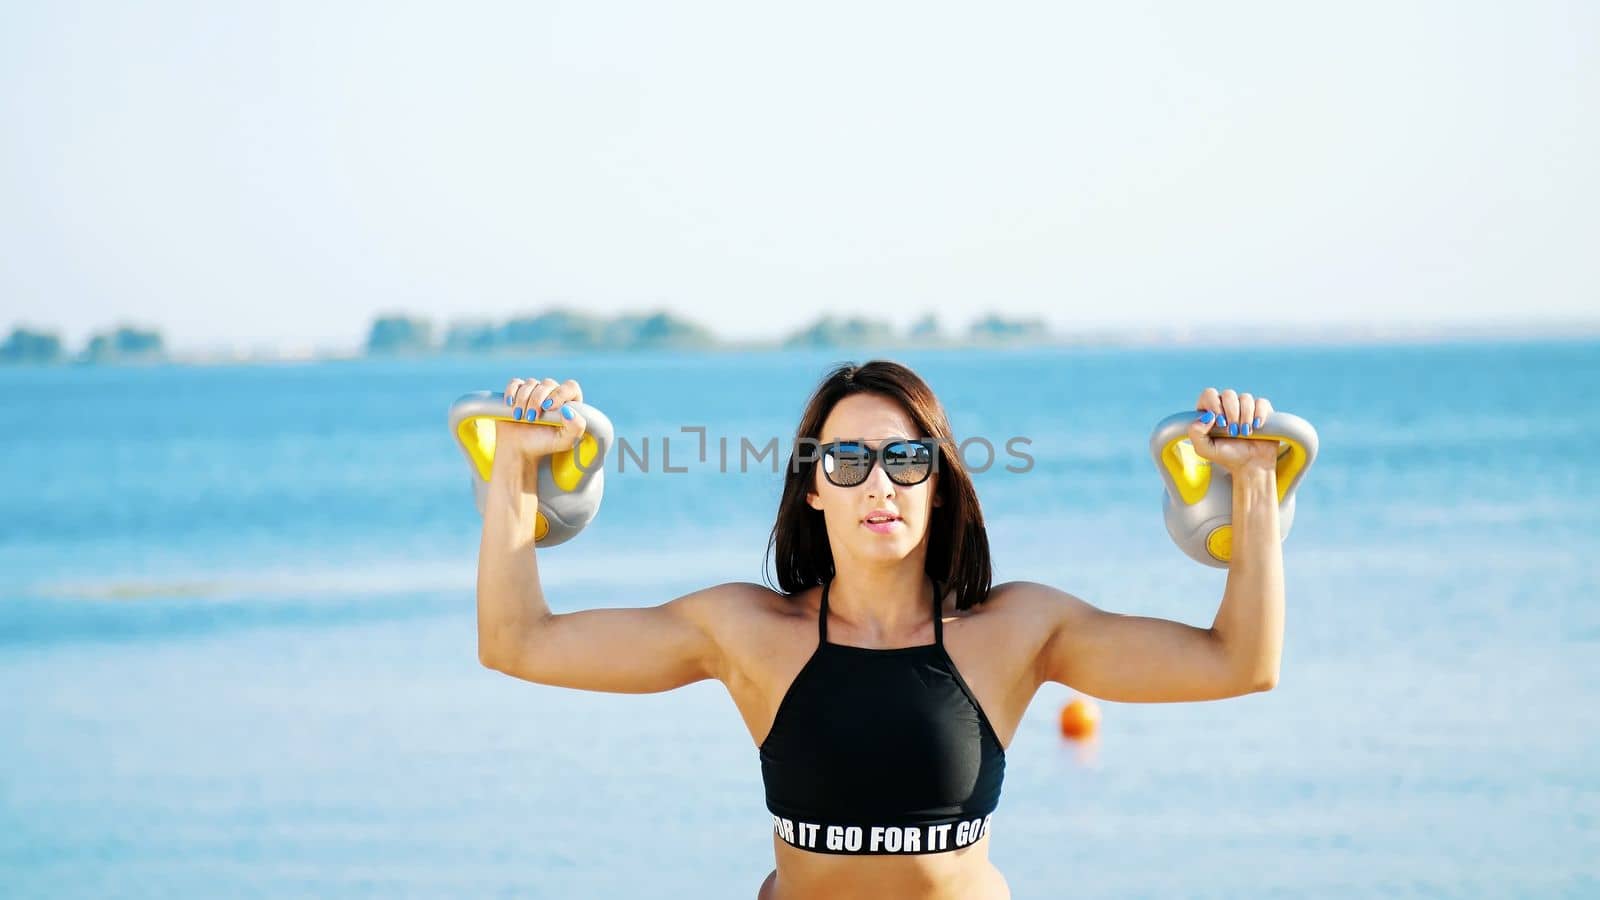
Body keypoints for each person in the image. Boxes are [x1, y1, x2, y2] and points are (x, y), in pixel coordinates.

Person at [477, 360, 1285, 900]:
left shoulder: (1015, 630)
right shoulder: (746, 632)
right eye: (846, 460)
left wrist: (1251, 484)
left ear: (939, 483)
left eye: (905, 457)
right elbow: (518, 642)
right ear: (813, 489)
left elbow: (1239, 663)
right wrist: (516, 466)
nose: (878, 483)